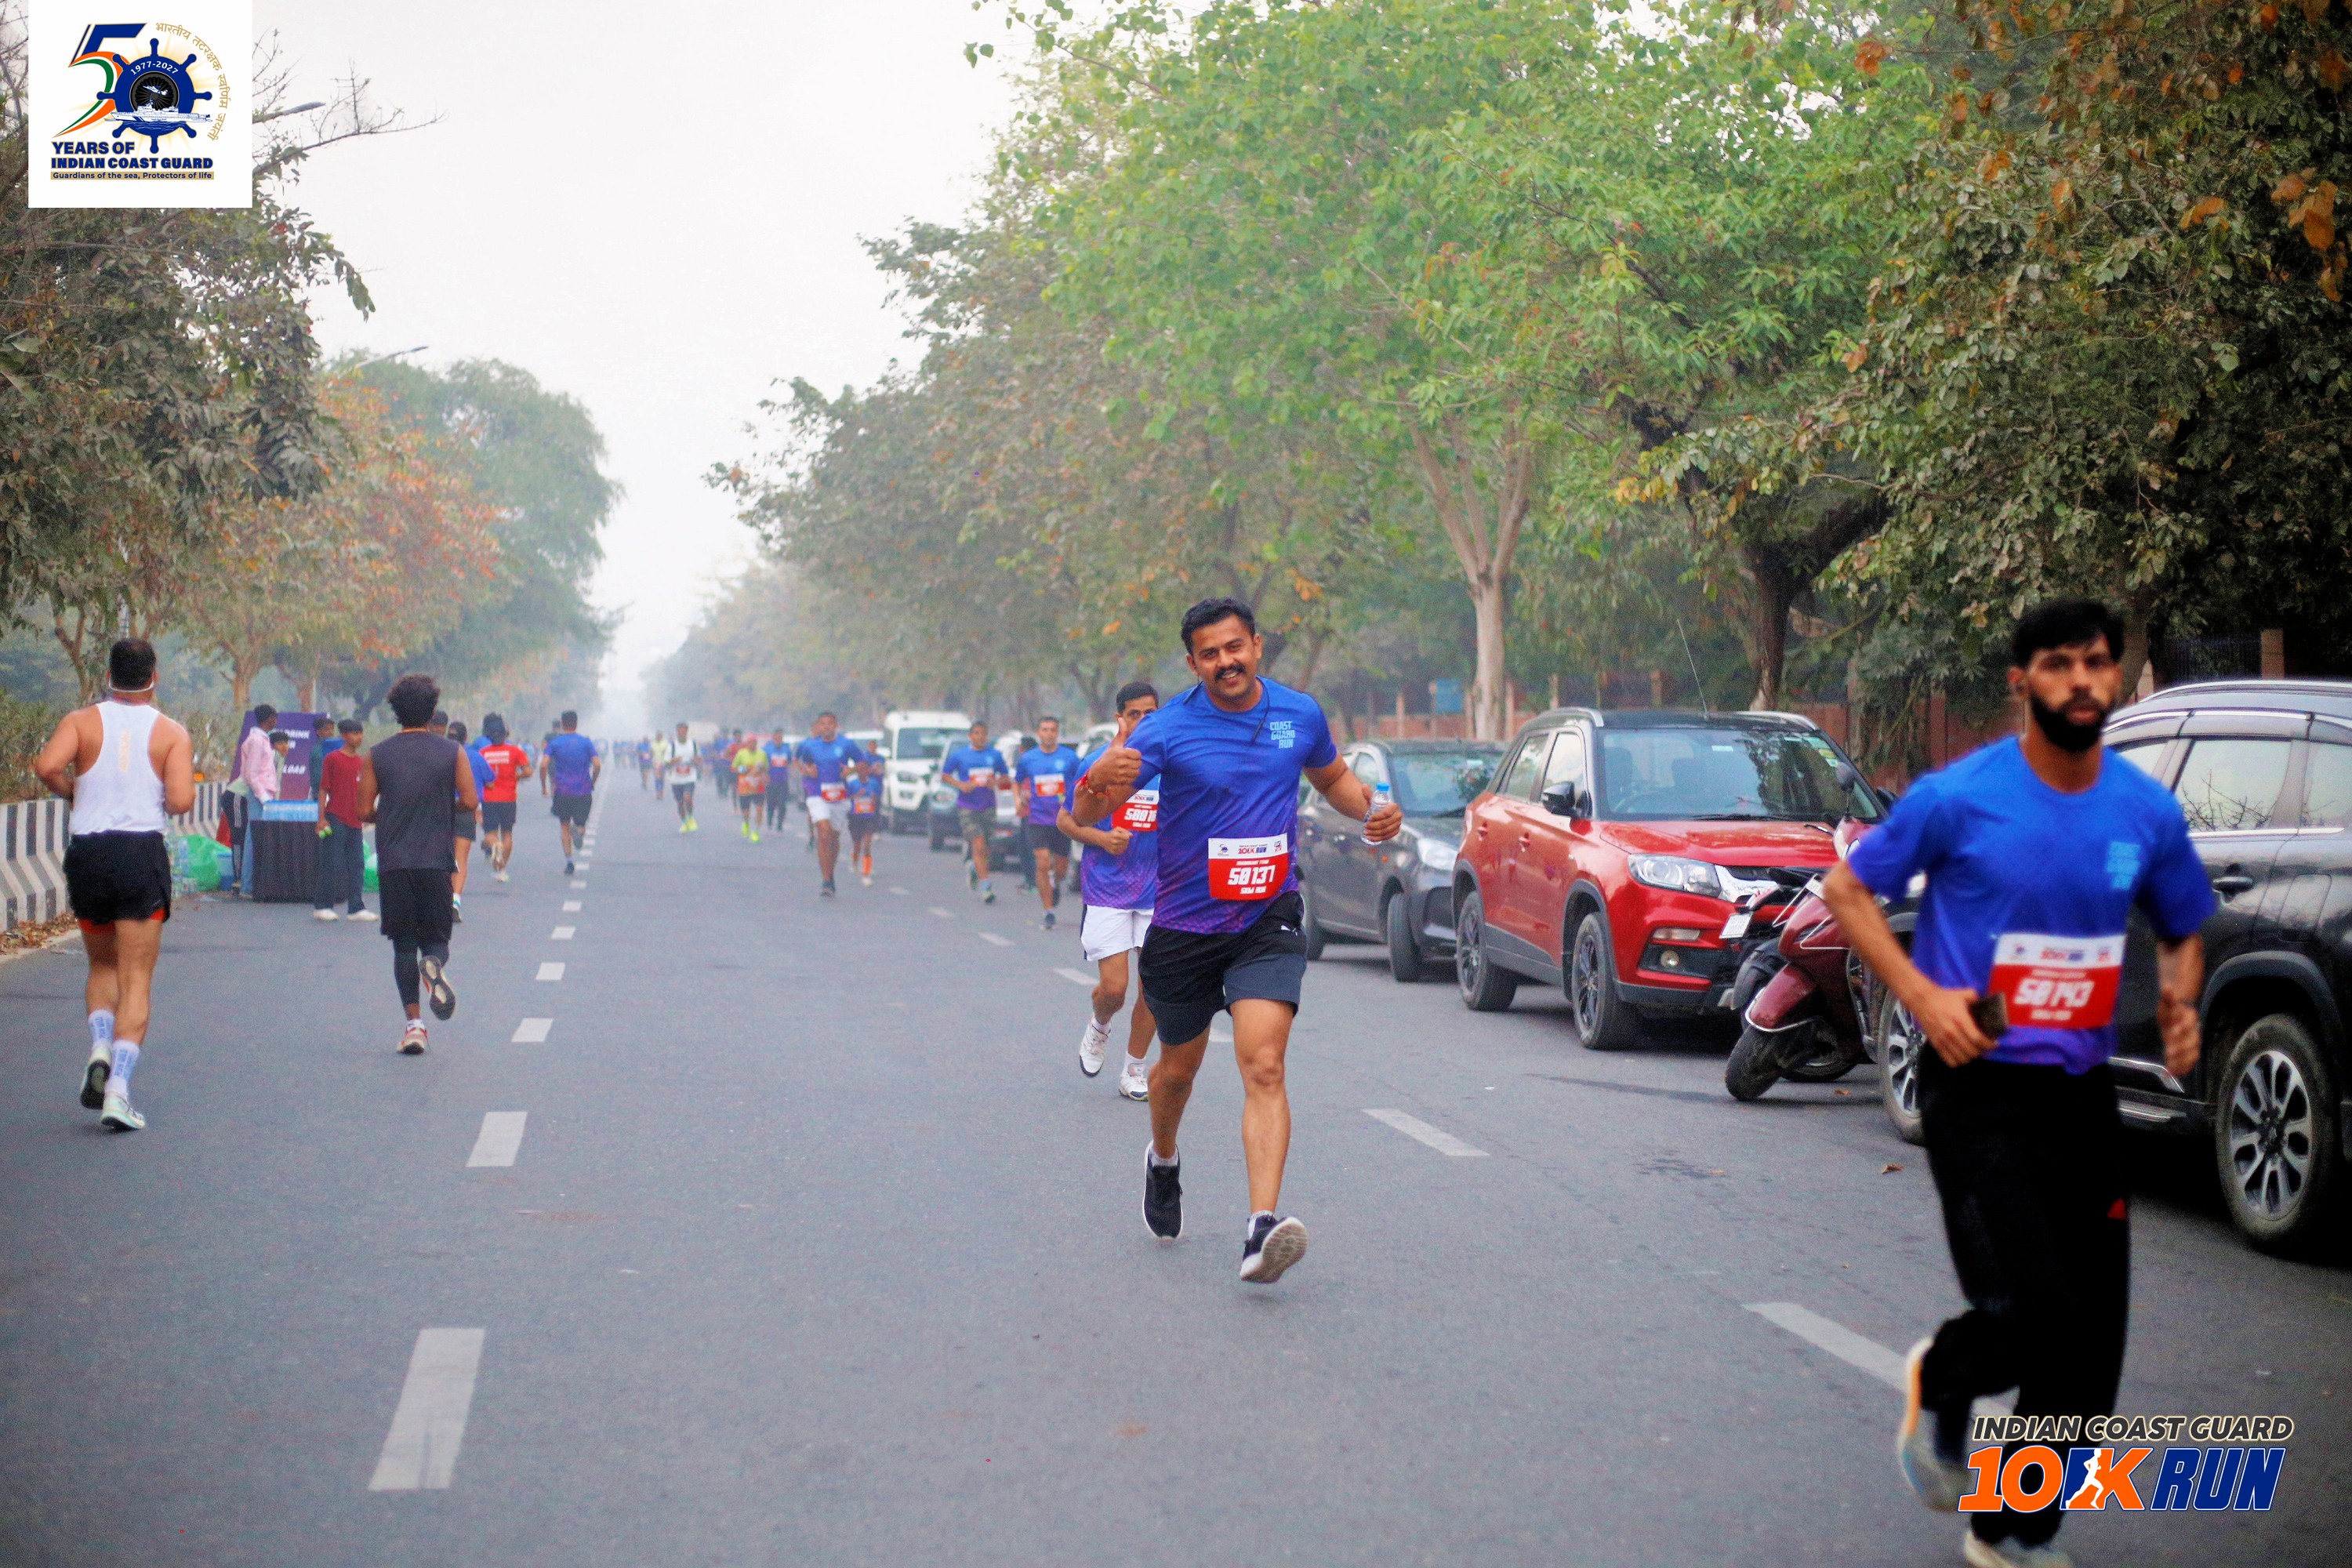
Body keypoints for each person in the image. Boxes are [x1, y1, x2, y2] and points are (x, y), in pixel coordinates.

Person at [1820, 600, 2213, 1568]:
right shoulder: (1959, 798)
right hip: (1977, 1088)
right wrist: (1922, 995)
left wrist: (2180, 999)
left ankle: (2012, 1529)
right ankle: (1949, 1380)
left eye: (2096, 662)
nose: (2081, 680)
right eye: (2058, 663)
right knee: (2032, 1318)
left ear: (2115, 675)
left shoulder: (2143, 810)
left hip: (2081, 1097)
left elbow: (2182, 925)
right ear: (2021, 680)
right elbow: (1847, 891)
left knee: (2092, 1347)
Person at [1076, 598, 1399, 1283]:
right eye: (1210, 654)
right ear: (1193, 663)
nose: (1226, 662)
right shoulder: (1167, 729)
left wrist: (1371, 808)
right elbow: (1091, 808)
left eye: (1235, 647)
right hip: (1184, 929)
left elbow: (1334, 780)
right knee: (1176, 1074)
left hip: (1266, 921)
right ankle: (1163, 1159)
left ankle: (1260, 1228)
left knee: (1265, 1065)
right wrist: (1096, 785)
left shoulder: (1298, 714)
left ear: (1256, 644)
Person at [32, 637, 195, 1132]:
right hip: (140, 854)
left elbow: (46, 766)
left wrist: (74, 791)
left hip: (89, 854)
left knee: (102, 965)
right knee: (136, 978)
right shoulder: (171, 732)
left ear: (109, 675)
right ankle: (119, 1092)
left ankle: (100, 1047)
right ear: (154, 677)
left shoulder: (80, 722)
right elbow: (182, 801)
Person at [360, 673, 476, 1055]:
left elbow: (364, 810)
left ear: (395, 712)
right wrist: (441, 805)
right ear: (432, 711)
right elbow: (470, 802)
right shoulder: (452, 752)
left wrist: (394, 810)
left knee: (402, 947)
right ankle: (434, 964)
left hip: (395, 862)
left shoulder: (377, 754)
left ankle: (414, 1028)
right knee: (437, 941)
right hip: (436, 861)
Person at [1060, 682, 1161, 1100]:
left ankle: (1135, 1068)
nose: (1144, 721)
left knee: (1155, 986)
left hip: (1159, 889)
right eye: (1135, 713)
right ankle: (1100, 1024)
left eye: (1151, 713)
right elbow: (1066, 820)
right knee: (1115, 990)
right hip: (1108, 888)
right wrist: (1102, 839)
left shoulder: (1169, 766)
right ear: (1120, 718)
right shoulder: (1096, 763)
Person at [1014, 716, 1085, 930]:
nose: (1049, 733)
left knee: (1061, 868)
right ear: (1039, 733)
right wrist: (1019, 799)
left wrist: (1072, 799)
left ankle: (1055, 882)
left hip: (1063, 820)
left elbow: (1082, 782)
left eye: (1053, 730)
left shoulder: (1070, 758)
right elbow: (1017, 782)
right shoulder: (1029, 759)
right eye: (1045, 729)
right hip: (1037, 819)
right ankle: (1048, 911)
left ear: (1057, 733)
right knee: (1043, 863)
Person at [793, 713, 870, 898]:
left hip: (839, 795)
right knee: (824, 832)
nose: (826, 727)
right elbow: (798, 761)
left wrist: (851, 770)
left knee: (834, 838)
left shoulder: (847, 744)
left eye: (830, 723)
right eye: (823, 724)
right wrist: (807, 771)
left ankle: (831, 874)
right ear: (819, 726)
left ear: (836, 726)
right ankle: (826, 880)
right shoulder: (810, 746)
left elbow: (863, 764)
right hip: (817, 794)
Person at [940, 721, 1008, 905]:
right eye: (976, 733)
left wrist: (995, 783)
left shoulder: (994, 755)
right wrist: (961, 785)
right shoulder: (960, 755)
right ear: (970, 736)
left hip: (988, 806)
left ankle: (974, 868)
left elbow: (1005, 776)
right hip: (967, 806)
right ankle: (986, 886)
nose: (980, 737)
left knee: (986, 847)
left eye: (983, 733)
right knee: (978, 843)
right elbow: (945, 775)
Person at [312, 719, 372, 922]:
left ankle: (356, 908)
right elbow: (323, 789)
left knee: (357, 865)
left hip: (355, 820)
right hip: (335, 817)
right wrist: (321, 818)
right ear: (344, 736)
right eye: (354, 733)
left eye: (360, 733)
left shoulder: (361, 762)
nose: (359, 737)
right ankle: (323, 906)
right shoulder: (333, 759)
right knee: (331, 863)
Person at [538, 710, 601, 875]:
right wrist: (593, 781)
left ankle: (570, 862)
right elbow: (597, 764)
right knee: (581, 824)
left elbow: (543, 765)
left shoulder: (555, 743)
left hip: (562, 790)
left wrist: (544, 786)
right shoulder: (586, 743)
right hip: (583, 790)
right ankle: (578, 831)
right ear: (576, 723)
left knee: (564, 825)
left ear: (563, 724)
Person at [474, 715, 532, 882]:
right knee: (507, 834)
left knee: (490, 834)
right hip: (509, 799)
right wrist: (516, 777)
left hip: (489, 800)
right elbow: (528, 771)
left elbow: (478, 776)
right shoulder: (515, 751)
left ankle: (496, 846)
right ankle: (502, 869)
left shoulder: (483, 753)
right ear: (506, 734)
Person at [230, 702, 280, 897]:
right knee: (253, 838)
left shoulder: (261, 739)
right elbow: (251, 774)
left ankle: (252, 883)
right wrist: (263, 796)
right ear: (270, 719)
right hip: (259, 794)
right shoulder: (257, 741)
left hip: (264, 793)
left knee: (257, 837)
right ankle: (248, 885)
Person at [447, 720, 483, 921]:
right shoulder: (475, 756)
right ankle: (455, 901)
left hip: (441, 811)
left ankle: (440, 899)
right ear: (466, 737)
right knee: (461, 858)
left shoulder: (440, 755)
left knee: (442, 857)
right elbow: (489, 781)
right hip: (466, 811)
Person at [846, 747, 885, 885]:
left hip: (869, 818)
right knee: (857, 845)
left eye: (865, 769)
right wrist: (856, 796)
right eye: (860, 769)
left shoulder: (874, 784)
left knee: (867, 845)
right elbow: (846, 799)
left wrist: (874, 799)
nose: (863, 772)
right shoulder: (852, 784)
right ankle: (854, 861)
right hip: (855, 818)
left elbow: (877, 799)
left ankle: (866, 873)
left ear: (868, 771)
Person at [662, 721, 699, 831]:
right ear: (677, 732)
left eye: (684, 731)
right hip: (676, 779)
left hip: (690, 777)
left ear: (687, 731)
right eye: (680, 731)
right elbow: (666, 763)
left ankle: (691, 817)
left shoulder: (693, 745)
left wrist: (696, 761)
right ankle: (684, 822)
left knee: (688, 798)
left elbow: (700, 760)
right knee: (680, 803)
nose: (682, 733)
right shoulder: (672, 747)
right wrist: (674, 761)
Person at [733, 732, 768, 841]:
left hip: (758, 787)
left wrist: (761, 768)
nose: (753, 744)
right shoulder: (741, 754)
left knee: (759, 809)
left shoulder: (762, 754)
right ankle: (746, 823)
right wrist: (744, 769)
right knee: (746, 812)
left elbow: (766, 768)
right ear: (747, 743)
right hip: (745, 787)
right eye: (750, 742)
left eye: (754, 742)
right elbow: (734, 768)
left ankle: (756, 832)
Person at [764, 731, 796, 836]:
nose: (779, 741)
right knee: (771, 803)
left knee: (782, 804)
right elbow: (762, 763)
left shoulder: (787, 750)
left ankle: (780, 824)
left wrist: (792, 773)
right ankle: (770, 821)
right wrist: (765, 775)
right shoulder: (767, 750)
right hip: (771, 782)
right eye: (777, 739)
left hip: (783, 781)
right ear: (773, 739)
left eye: (781, 739)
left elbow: (790, 763)